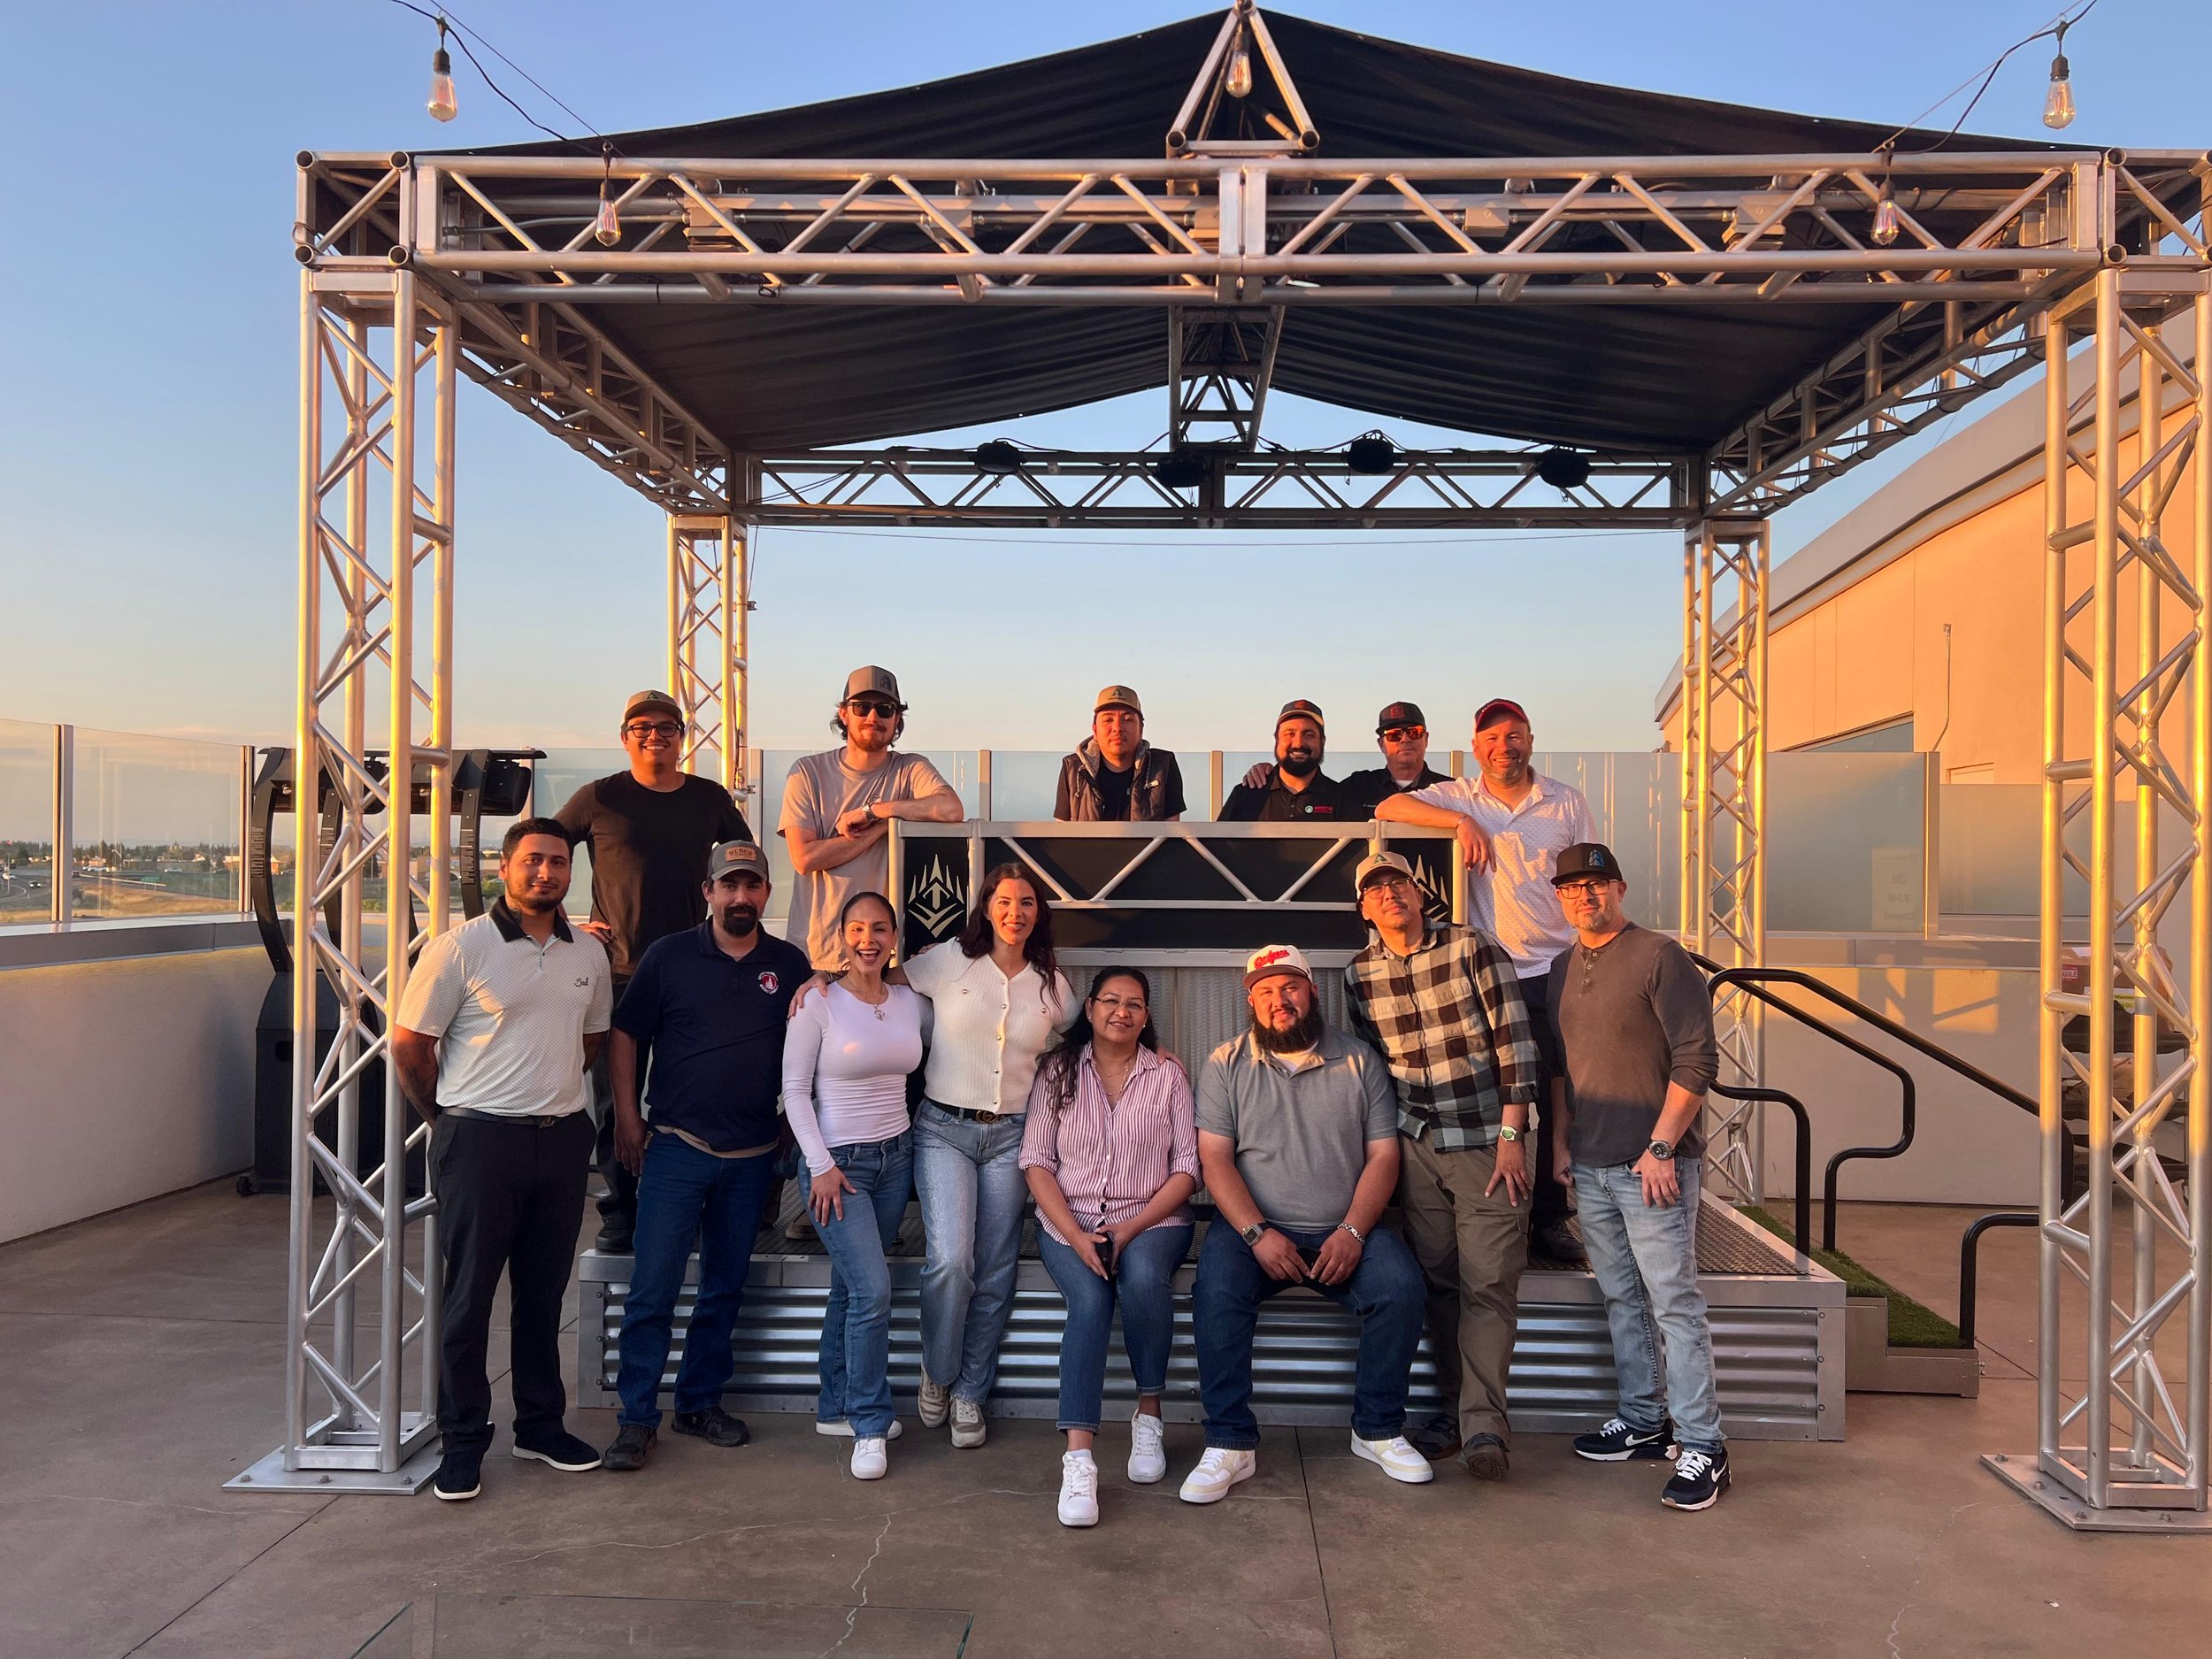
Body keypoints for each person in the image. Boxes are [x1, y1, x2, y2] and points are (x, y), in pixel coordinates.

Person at [391, 818, 611, 1502]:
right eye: (532, 861)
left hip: (563, 1137)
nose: (545, 872)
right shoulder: (462, 946)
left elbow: (592, 1040)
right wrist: (450, 1117)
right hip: (479, 1141)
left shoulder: (589, 954)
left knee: (543, 1296)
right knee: (468, 1300)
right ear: (505, 866)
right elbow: (409, 1046)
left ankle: (540, 1426)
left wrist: (551, 1097)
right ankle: (463, 1441)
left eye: (557, 862)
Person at [1180, 944, 1432, 1503]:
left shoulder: (1359, 1060)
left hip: (1343, 1228)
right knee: (1216, 1290)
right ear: (1250, 1001)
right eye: (1265, 991)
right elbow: (1215, 1160)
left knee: (1400, 1288)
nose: (1280, 1000)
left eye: (1290, 987)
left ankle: (1378, 1429)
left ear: (1311, 992)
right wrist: (1255, 1234)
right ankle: (1230, 1442)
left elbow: (1383, 1156)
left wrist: (1353, 1232)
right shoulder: (1226, 1062)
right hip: (1254, 1229)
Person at [598, 841, 810, 1475]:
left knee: (722, 1288)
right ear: (708, 890)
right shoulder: (668, 957)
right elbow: (625, 1033)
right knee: (652, 1289)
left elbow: (816, 1040)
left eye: (754, 886)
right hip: (676, 1150)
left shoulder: (789, 964)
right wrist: (628, 1115)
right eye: (730, 885)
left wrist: (793, 1123)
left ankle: (698, 1401)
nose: (742, 897)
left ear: (767, 893)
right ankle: (637, 1419)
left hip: (752, 1159)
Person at [1376, 696, 1594, 1265]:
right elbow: (1389, 803)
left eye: (1515, 734)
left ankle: (1551, 1218)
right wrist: (1461, 820)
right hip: (1492, 975)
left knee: (1561, 1097)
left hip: (1559, 970)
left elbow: (1587, 877)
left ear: (1530, 738)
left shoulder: (1565, 802)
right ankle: (1501, 1213)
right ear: (1476, 748)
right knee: (1502, 1099)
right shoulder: (1459, 795)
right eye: (1493, 738)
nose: (1505, 746)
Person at [1344, 850, 1541, 1477]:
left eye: (1396, 883)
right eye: (1374, 891)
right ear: (1364, 909)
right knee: (1441, 1284)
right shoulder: (1359, 975)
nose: (1388, 896)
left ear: (1418, 890)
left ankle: (1485, 1427)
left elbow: (1516, 1042)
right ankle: (1457, 1415)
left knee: (1488, 1282)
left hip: (1488, 1141)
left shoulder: (1472, 946)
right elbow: (1374, 1068)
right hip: (1416, 1146)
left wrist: (1514, 1132)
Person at [1547, 842, 1731, 1511]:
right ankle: (1645, 1420)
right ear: (1559, 898)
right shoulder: (1562, 967)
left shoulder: (1661, 955)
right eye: (1571, 887)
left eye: (1596, 884)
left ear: (1619, 888)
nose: (1584, 896)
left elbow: (1696, 1058)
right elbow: (1561, 1067)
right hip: (1591, 1165)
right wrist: (1562, 1143)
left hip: (1653, 1166)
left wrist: (1661, 1146)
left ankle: (1705, 1446)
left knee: (1674, 1304)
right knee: (1621, 1299)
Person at [554, 687, 754, 1253]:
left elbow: (745, 863)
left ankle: (686, 1205)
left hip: (694, 970)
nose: (654, 736)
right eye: (642, 727)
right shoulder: (599, 798)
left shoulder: (708, 798)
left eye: (666, 727)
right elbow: (541, 848)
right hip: (617, 973)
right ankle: (622, 1211)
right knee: (614, 1102)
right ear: (625, 736)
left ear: (681, 738)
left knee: (688, 1094)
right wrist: (570, 924)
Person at [1021, 967, 1200, 1527]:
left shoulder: (1167, 1073)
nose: (1122, 1012)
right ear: (1091, 1009)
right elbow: (1037, 1163)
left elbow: (1187, 1169)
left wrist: (1127, 1230)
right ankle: (1080, 1459)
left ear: (1147, 1016)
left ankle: (1148, 1418)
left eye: (1135, 1004)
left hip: (1153, 1220)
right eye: (1111, 1001)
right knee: (1093, 1301)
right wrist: (1078, 1237)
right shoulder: (1056, 1072)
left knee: (1145, 1279)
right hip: (1068, 1224)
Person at [905, 864, 1076, 1446]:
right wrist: (819, 983)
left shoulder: (1050, 982)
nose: (1015, 912)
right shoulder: (947, 958)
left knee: (996, 1267)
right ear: (985, 906)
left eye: (1027, 902)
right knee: (952, 1259)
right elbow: (881, 983)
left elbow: (1084, 1037)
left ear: (1038, 913)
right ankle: (939, 1368)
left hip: (1013, 1136)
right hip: (943, 1130)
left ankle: (972, 1391)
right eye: (1005, 901)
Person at [780, 891, 926, 1481]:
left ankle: (834, 1403)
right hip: (838, 1165)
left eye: (880, 929)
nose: (868, 939)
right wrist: (819, 1164)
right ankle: (868, 1423)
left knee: (851, 1287)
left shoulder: (912, 1001)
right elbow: (793, 1090)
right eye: (857, 928)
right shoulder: (816, 1001)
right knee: (873, 1290)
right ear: (840, 936)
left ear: (895, 938)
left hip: (897, 1157)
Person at [780, 665, 964, 972]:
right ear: (844, 713)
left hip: (887, 960)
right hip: (818, 959)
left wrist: (876, 811)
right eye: (862, 707)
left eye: (885, 709)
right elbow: (804, 857)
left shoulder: (910, 769)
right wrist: (880, 830)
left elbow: (951, 810)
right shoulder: (807, 772)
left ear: (897, 719)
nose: (873, 717)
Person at [1054, 685, 1187, 821]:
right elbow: (1061, 834)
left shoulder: (1162, 766)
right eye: (1108, 720)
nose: (1117, 728)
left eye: (1128, 720)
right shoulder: (1073, 768)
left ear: (1141, 729)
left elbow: (1172, 834)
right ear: (1094, 730)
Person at [1218, 700, 1350, 821]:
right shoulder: (1245, 795)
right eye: (1290, 734)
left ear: (1323, 741)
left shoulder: (1342, 798)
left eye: (1309, 734)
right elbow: (1214, 846)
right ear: (1276, 739)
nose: (1298, 743)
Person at [1340, 702, 1452, 818]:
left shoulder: (1449, 790)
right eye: (1394, 734)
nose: (1405, 739)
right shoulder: (1356, 787)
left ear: (1426, 739)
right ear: (1381, 744)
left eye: (1414, 732)